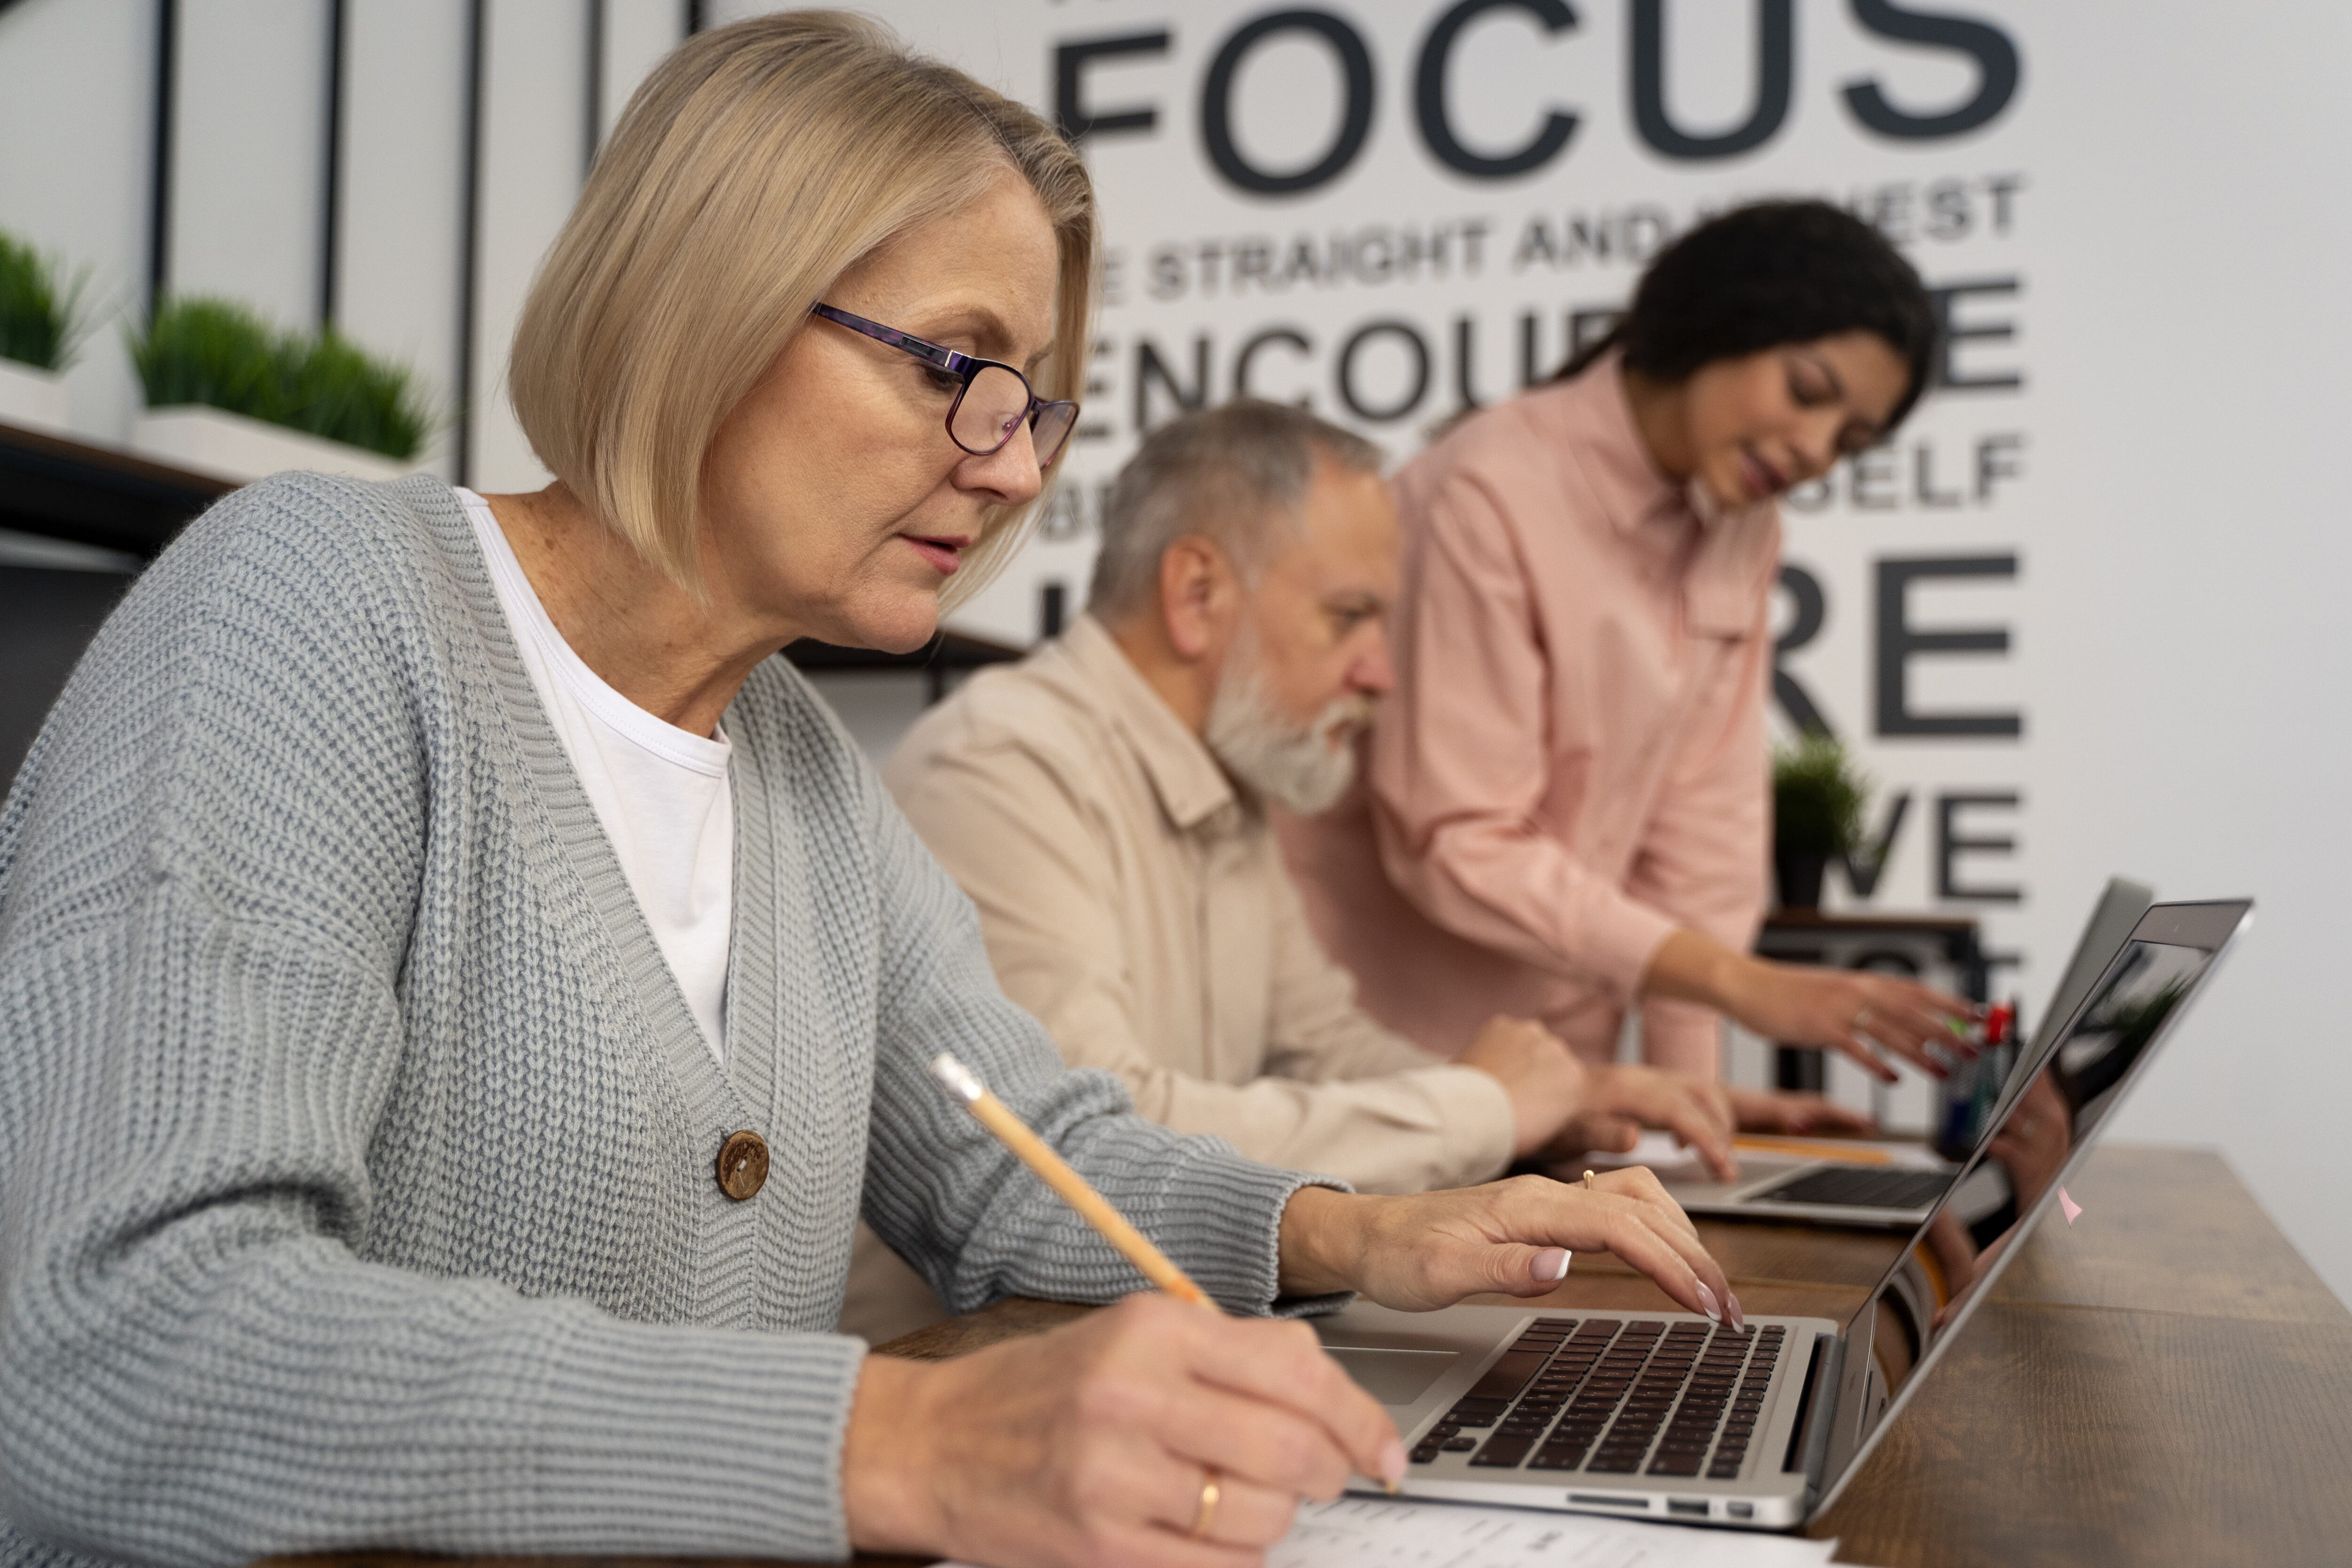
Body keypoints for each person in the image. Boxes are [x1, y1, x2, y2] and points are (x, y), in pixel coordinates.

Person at [0, 17, 1738, 1568]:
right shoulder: (312, 599)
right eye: (950, 366)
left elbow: (1019, 1156)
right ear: (709, 292)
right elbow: (115, 1337)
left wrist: (1362, 1231)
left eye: (1040, 401)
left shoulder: (804, 766)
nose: (1007, 462)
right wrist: (891, 1439)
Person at [850, 403, 1744, 1337]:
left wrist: (1549, 1106)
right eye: (1349, 615)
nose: (1381, 674)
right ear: (1197, 593)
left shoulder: (1233, 776)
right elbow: (1095, 1142)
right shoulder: (998, 767)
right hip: (967, 1374)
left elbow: (1323, 1047)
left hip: (1145, 1351)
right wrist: (1478, 1105)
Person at [1279, 200, 1979, 1129]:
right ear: (1720, 319)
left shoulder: (1743, 527)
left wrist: (1695, 1125)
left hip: (1575, 1072)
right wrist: (1735, 983)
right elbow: (1454, 841)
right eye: (1809, 391)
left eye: (1849, 441)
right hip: (1391, 1062)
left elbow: (1702, 848)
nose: (1816, 451)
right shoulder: (1487, 489)